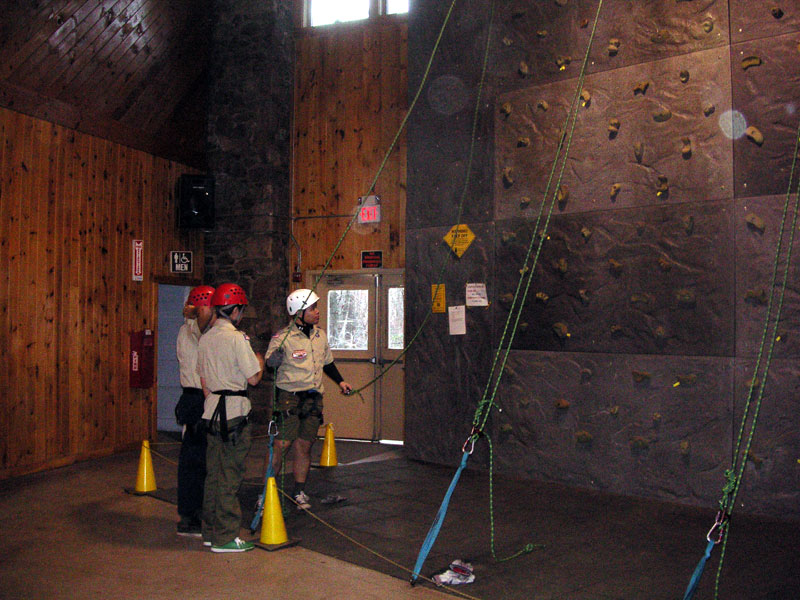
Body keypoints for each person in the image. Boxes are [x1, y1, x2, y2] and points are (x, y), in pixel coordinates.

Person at [265, 289, 352, 511]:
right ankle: (266, 493)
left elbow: (327, 363)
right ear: (298, 312)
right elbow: (269, 364)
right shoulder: (283, 338)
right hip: (289, 398)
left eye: (316, 308)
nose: (317, 312)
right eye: (312, 308)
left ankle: (299, 491)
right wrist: (273, 360)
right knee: (282, 445)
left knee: (304, 445)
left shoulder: (319, 336)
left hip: (313, 398)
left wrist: (341, 382)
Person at [197, 283, 264, 552]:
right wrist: (260, 360)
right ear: (235, 311)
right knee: (230, 475)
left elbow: (203, 379)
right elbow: (254, 378)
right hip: (234, 413)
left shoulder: (205, 338)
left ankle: (209, 530)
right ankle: (225, 537)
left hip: (212, 410)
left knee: (213, 474)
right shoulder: (237, 338)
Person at [174, 285, 216, 537]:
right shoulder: (191, 331)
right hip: (196, 398)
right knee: (194, 461)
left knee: (203, 460)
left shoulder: (197, 331)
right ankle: (191, 516)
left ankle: (198, 512)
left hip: (203, 398)